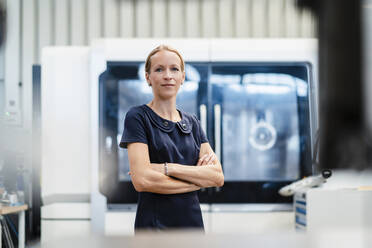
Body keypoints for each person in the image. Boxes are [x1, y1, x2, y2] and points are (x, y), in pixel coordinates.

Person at [119, 45, 224, 232]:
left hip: (192, 228)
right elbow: (143, 181)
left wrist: (167, 168)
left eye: (174, 69)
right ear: (148, 77)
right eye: (159, 69)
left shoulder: (192, 122)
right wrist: (197, 180)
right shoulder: (138, 117)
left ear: (182, 77)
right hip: (155, 229)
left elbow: (216, 177)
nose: (168, 75)